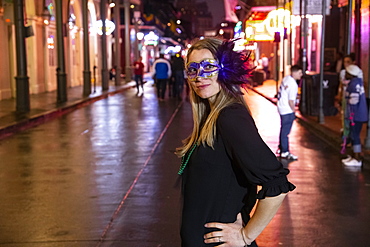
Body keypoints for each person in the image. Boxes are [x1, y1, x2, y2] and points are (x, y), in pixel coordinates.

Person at [176, 38, 296, 247]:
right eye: (193, 69)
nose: (199, 76)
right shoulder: (211, 116)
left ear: (227, 69)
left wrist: (245, 236)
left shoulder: (229, 117)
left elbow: (276, 182)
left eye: (209, 67)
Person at [341, 64, 368, 166]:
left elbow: (353, 100)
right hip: (359, 114)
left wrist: (347, 100)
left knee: (355, 135)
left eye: (347, 72)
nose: (345, 74)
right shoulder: (358, 82)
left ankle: (357, 158)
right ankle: (353, 156)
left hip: (355, 115)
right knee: (353, 134)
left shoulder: (353, 84)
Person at [277, 65, 303, 160]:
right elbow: (291, 101)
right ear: (294, 72)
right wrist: (294, 111)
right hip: (287, 109)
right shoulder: (293, 84)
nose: (301, 75)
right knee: (286, 132)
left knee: (283, 129)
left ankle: (281, 148)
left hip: (281, 107)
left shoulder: (286, 78)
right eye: (300, 73)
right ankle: (285, 151)